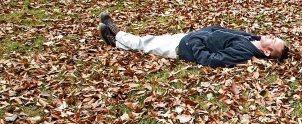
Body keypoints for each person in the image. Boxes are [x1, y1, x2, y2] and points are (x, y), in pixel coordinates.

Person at [98, 14, 289, 67]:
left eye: (273, 41)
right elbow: (222, 31)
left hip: (185, 47)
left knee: (144, 44)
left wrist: (195, 43)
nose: (271, 36)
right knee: (150, 41)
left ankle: (117, 34)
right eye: (275, 36)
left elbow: (212, 59)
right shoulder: (252, 38)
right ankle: (116, 43)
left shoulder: (244, 53)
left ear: (266, 52)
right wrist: (206, 30)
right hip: (190, 37)